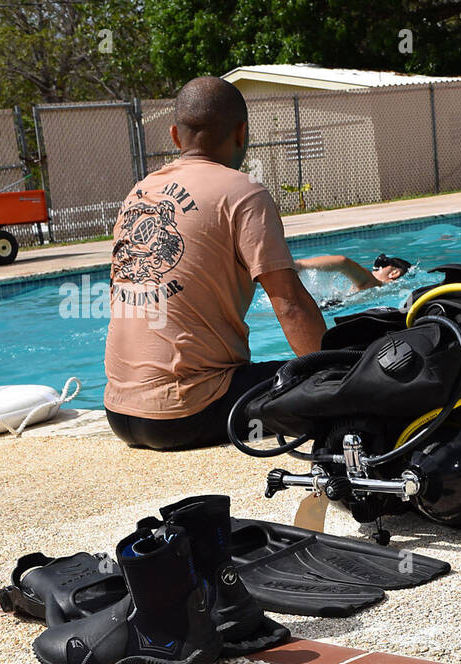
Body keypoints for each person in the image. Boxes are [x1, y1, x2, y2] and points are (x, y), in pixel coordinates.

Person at [104, 76, 326, 451]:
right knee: (330, 382)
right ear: (242, 133)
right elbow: (289, 303)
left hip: (119, 413)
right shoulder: (244, 192)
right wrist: (334, 373)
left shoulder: (139, 192)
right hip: (188, 411)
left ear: (175, 136)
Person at [293, 252, 411, 291]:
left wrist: (299, 265)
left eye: (380, 264)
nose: (373, 268)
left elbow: (343, 262)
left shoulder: (373, 283)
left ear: (394, 273)